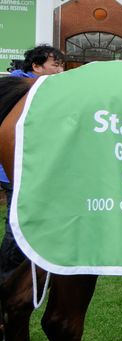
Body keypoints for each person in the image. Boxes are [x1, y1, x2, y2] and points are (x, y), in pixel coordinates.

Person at [2, 44, 65, 273]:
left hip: (28, 166)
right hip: (13, 168)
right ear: (36, 67)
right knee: (15, 220)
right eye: (55, 65)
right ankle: (6, 273)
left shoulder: (39, 90)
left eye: (61, 65)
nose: (60, 71)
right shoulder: (22, 90)